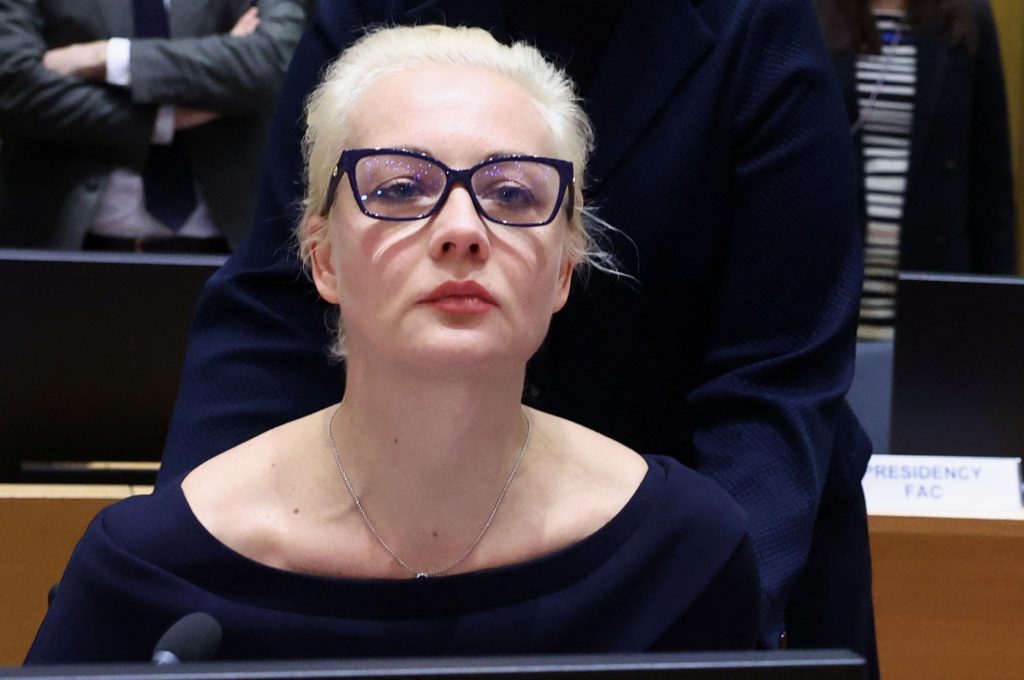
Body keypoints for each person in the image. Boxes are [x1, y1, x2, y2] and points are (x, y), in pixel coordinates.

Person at [160, 0, 878, 672]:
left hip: (704, 515)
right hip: (402, 518)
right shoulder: (370, 6)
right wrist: (187, 561)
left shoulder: (755, 23)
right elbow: (277, 301)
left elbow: (774, 369)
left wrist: (713, 608)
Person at [25, 26, 760, 662]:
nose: (463, 229)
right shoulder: (151, 567)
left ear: (563, 270)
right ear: (323, 260)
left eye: (512, 194)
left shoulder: (682, 550)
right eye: (402, 188)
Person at [0, 0, 306, 252]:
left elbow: (274, 61)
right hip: (67, 246)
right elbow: (14, 84)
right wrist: (167, 117)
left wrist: (107, 56)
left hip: (231, 247)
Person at [813, 0, 1017, 340]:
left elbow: (992, 191)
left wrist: (999, 322)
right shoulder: (808, 15)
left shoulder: (968, 18)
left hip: (935, 297)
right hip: (828, 299)